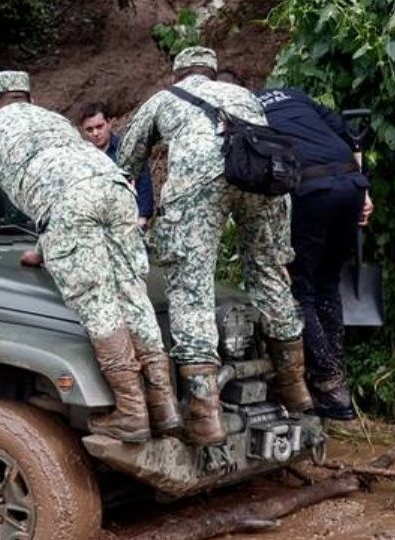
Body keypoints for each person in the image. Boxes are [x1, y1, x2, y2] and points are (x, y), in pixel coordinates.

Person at [0, 71, 181, 442]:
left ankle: (131, 413)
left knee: (97, 303)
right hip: (116, 189)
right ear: (28, 98)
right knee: (132, 293)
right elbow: (68, 179)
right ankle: (164, 405)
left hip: (71, 206)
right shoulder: (55, 120)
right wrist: (45, 250)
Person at [117, 47, 310, 444]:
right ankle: (295, 387)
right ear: (212, 71)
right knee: (270, 274)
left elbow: (127, 160)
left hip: (200, 182)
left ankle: (205, 416)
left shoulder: (165, 99)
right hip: (262, 177)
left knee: (191, 286)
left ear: (178, 75)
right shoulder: (244, 96)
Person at [256, 86, 375, 420]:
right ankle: (337, 378)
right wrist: (363, 189)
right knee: (328, 281)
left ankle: (327, 383)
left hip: (312, 190)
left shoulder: (247, 108)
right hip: (351, 185)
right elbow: (347, 133)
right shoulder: (294, 95)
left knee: (301, 288)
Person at [79, 102, 154, 228]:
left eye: (99, 126)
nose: (95, 133)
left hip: (129, 222)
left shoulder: (127, 150)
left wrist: (142, 217)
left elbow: (143, 183)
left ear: (109, 122)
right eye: (89, 130)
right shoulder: (81, 157)